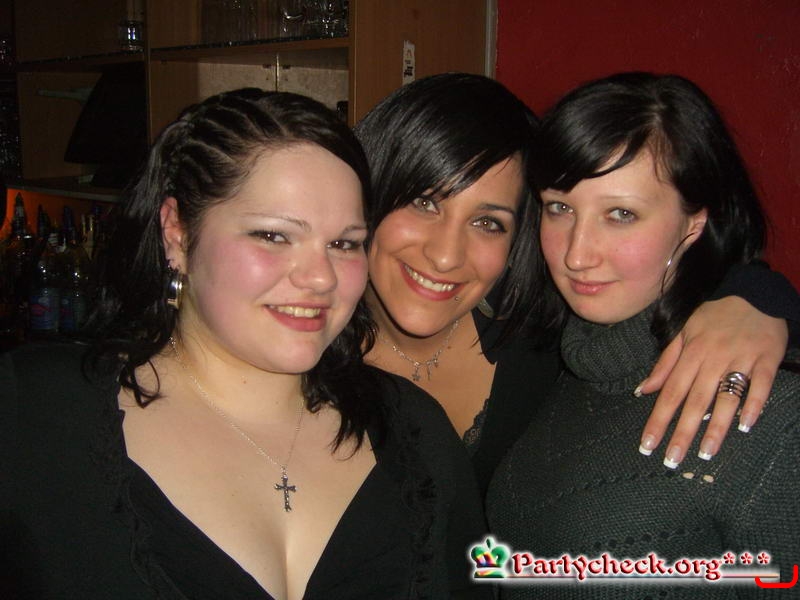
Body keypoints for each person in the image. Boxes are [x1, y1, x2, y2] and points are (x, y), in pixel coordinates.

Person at [3, 89, 490, 600]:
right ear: (177, 233)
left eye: (343, 243)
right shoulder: (34, 411)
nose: (321, 278)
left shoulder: (416, 433)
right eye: (274, 236)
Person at [353, 73, 798, 495]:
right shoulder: (313, 350)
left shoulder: (548, 334)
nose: (446, 255)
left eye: (488, 222)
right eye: (424, 202)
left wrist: (754, 299)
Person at [487, 72, 799, 597]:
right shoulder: (564, 361)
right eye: (560, 207)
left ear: (694, 223)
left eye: (620, 214)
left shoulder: (773, 413)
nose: (576, 254)